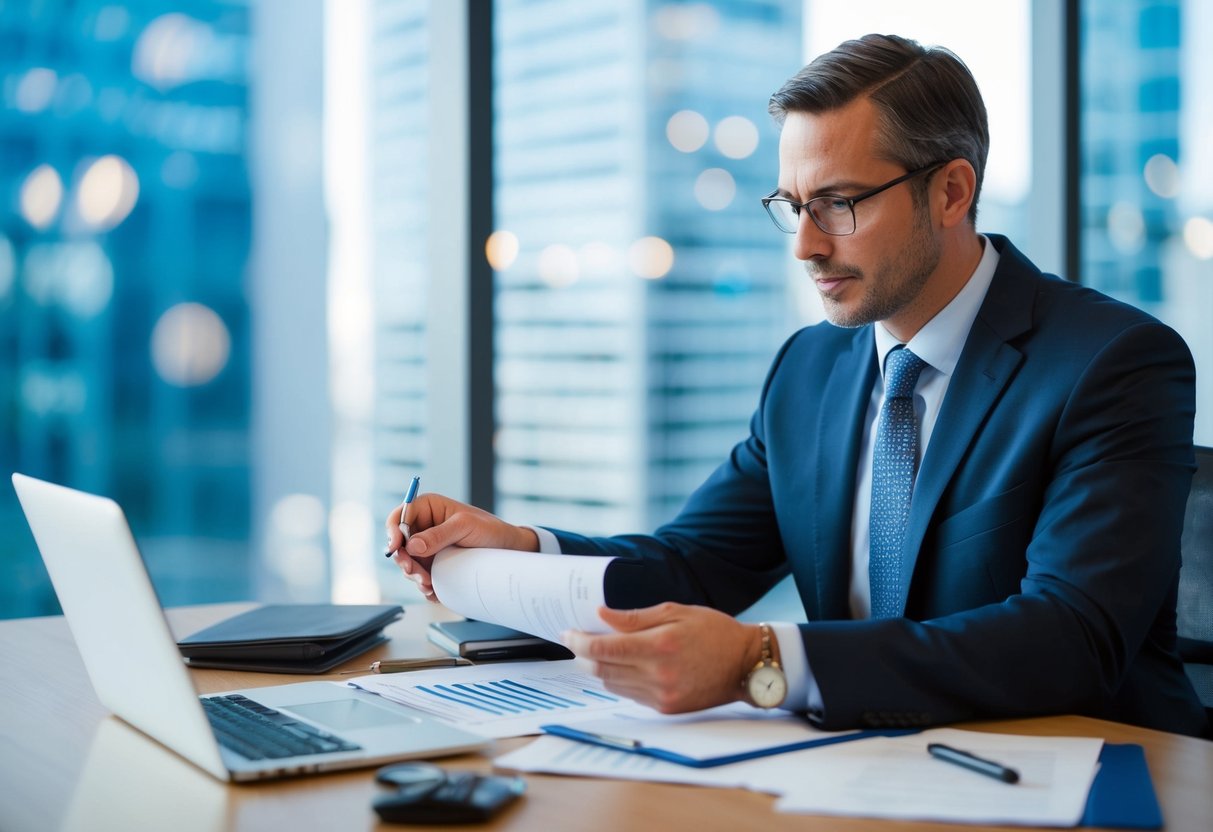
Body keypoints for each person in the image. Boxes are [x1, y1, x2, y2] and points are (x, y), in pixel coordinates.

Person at [385, 34, 1208, 737]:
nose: (804, 247)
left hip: (1087, 777)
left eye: (840, 204)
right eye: (792, 205)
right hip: (856, 774)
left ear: (951, 191)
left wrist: (760, 661)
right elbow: (694, 566)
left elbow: (1070, 638)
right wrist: (524, 549)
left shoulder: (1114, 362)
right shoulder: (808, 370)